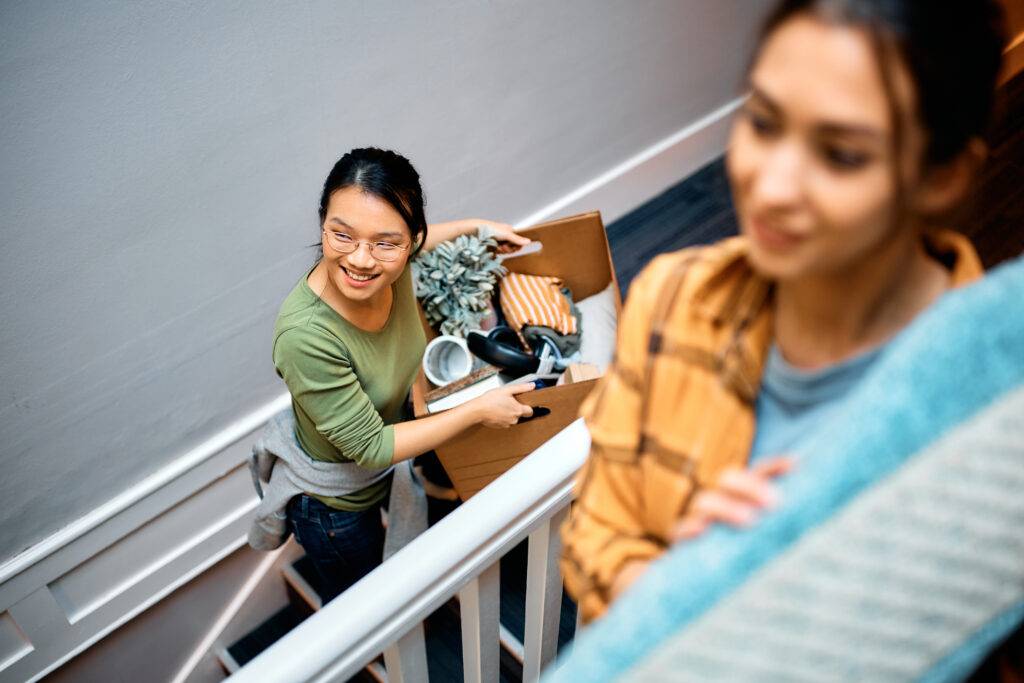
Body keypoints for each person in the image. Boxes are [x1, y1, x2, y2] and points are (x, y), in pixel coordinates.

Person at [561, 0, 1007, 623]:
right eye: (764, 123)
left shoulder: (991, 426)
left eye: (842, 155)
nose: (769, 189)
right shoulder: (671, 297)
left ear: (943, 177)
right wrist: (674, 586)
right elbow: (592, 531)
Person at [274, 147, 535, 601]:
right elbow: (373, 447)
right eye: (342, 235)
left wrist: (479, 228)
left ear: (410, 240)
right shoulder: (305, 337)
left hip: (384, 466)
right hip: (335, 507)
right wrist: (477, 411)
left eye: (385, 242)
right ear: (323, 224)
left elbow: (422, 240)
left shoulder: (396, 264)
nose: (361, 260)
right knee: (365, 603)